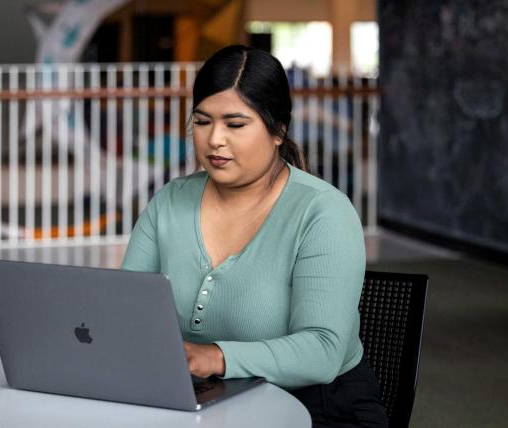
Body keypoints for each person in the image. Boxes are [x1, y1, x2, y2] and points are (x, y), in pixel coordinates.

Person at [121, 45, 388, 427]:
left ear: (278, 130)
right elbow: (124, 310)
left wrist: (215, 356)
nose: (214, 140)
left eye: (235, 124)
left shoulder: (322, 212)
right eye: (202, 121)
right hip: (205, 399)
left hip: (318, 407)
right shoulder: (170, 201)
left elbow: (323, 351)